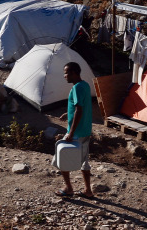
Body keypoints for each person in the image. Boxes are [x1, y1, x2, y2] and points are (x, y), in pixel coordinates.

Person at [54, 61, 94, 198]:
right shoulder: (85, 85)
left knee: (61, 158)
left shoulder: (76, 87)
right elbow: (81, 106)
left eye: (66, 73)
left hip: (76, 132)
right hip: (86, 130)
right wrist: (68, 114)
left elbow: (79, 109)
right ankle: (88, 190)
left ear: (73, 73)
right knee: (84, 161)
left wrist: (71, 133)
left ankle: (68, 188)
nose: (64, 76)